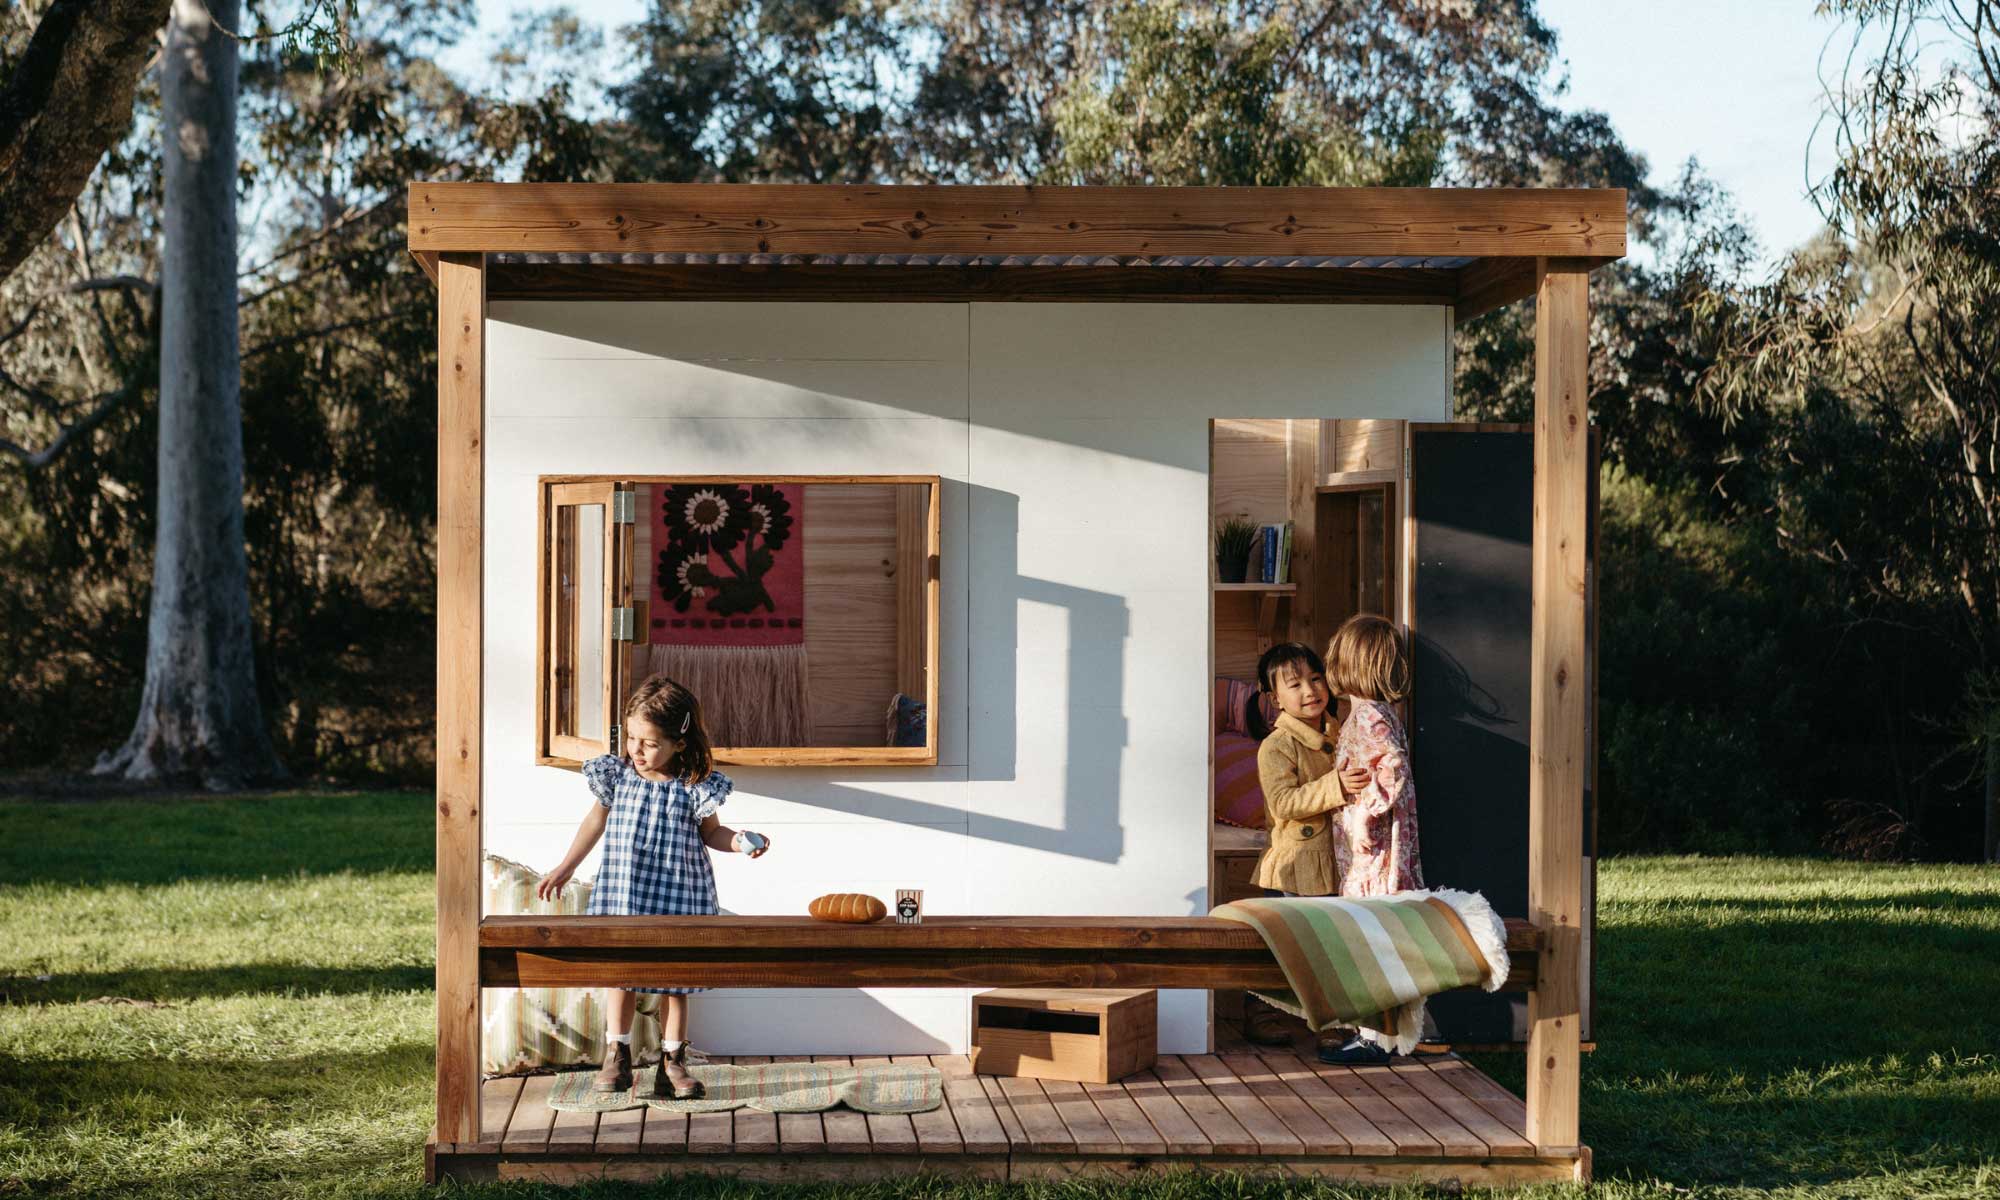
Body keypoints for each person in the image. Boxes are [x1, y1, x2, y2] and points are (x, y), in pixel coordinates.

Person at [537, 675, 771, 1099]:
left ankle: (672, 1062)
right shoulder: (618, 775)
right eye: (631, 739)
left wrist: (738, 842)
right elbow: (595, 821)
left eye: (648, 743)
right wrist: (567, 866)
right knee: (621, 975)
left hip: (681, 895)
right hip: (625, 893)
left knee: (676, 982)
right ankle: (618, 1055)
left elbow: (711, 834)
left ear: (679, 742)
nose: (636, 751)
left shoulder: (694, 786)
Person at [1244, 640, 1371, 1052]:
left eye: (1316, 679)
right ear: (1273, 698)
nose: (1309, 691)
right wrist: (1334, 786)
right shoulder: (1276, 746)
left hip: (1336, 859)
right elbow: (1283, 803)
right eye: (1294, 684)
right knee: (1281, 947)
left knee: (1331, 944)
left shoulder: (1342, 730)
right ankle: (1262, 1012)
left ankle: (1332, 1020)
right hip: (1295, 863)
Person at [1322, 613, 1423, 1065]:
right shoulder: (1375, 714)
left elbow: (1392, 768)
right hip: (1372, 854)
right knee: (1374, 932)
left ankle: (1375, 1036)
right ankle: (1377, 1029)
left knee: (1369, 933)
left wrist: (1365, 814)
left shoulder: (1369, 717)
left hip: (1375, 856)